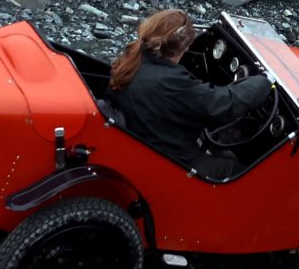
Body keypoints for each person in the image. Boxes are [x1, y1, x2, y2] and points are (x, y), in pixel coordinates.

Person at [108, 10, 271, 177]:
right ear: (185, 47)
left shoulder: (131, 59)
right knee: (239, 171)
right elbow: (225, 103)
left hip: (143, 141)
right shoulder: (172, 82)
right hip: (171, 161)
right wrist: (264, 81)